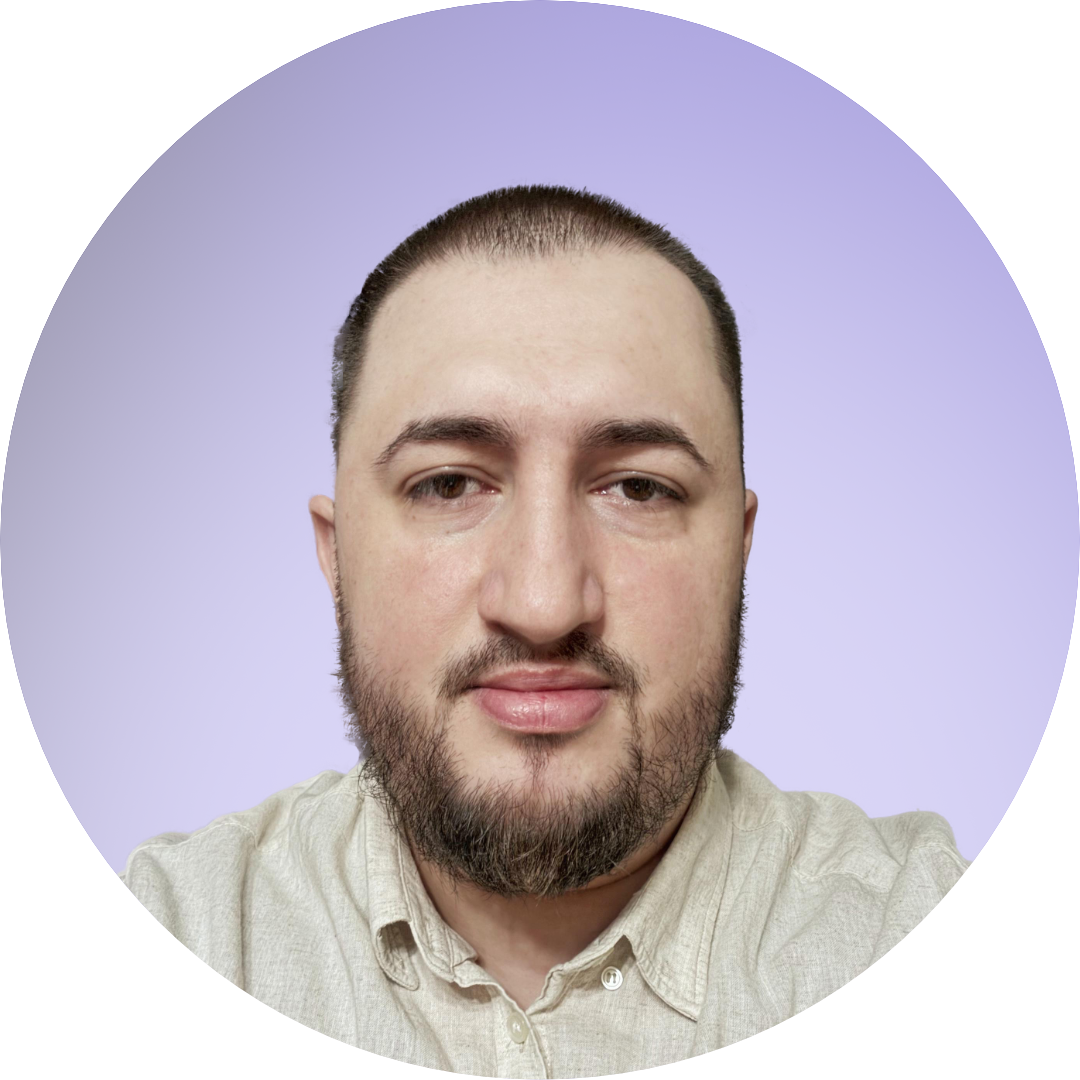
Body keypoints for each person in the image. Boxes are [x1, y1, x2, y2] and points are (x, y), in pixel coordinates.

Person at [122, 184, 969, 1069]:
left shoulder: (903, 919)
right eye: (449, 484)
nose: (543, 602)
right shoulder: (190, 927)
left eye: (639, 487)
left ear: (738, 548)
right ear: (338, 556)